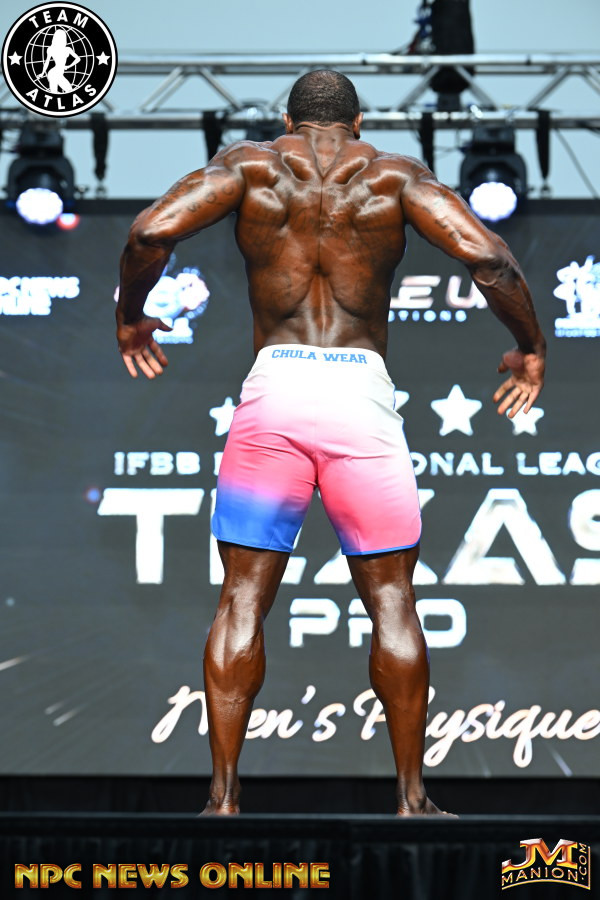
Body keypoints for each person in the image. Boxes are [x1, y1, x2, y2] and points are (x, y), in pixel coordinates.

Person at [116, 70, 545, 816]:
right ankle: (412, 800)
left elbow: (150, 231)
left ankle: (223, 800)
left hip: (275, 389)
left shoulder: (249, 167)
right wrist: (529, 346)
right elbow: (490, 258)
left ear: (287, 120)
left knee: (241, 599)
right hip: (360, 396)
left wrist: (130, 315)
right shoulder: (395, 176)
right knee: (393, 600)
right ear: (359, 122)